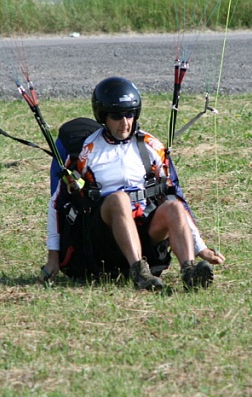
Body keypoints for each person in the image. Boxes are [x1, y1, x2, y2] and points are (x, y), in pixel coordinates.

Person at [41, 77, 224, 290]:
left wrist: (201, 247)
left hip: (145, 231)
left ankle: (189, 270)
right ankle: (139, 272)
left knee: (173, 207)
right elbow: (57, 203)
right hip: (104, 240)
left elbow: (175, 194)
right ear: (103, 116)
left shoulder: (151, 146)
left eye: (129, 114)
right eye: (116, 116)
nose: (124, 122)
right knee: (119, 199)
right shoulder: (87, 151)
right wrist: (53, 258)